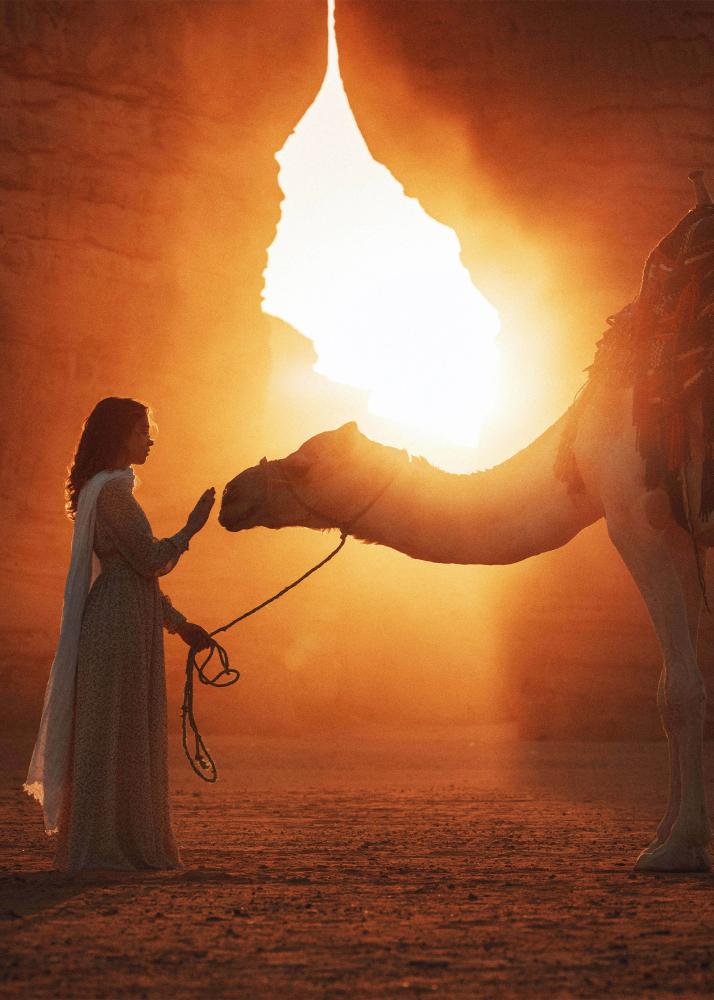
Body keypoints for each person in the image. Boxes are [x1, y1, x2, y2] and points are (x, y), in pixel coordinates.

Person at [24, 397, 215, 871]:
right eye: (139, 431)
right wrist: (191, 528)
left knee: (121, 730)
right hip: (118, 624)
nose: (148, 439)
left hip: (127, 614)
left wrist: (180, 625)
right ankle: (110, 846)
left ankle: (118, 841)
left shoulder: (108, 490)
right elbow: (150, 560)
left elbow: (138, 572)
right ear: (118, 437)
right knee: (118, 731)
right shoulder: (113, 494)